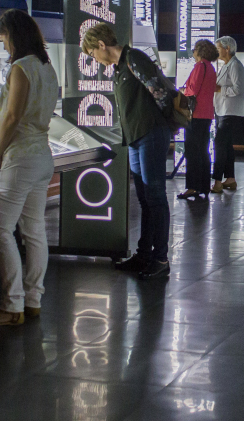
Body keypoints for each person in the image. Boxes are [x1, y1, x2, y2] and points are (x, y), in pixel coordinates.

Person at [0, 9, 60, 327]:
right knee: (34, 230)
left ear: (14, 35)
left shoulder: (21, 68)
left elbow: (12, 116)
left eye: (4, 40)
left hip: (18, 157)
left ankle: (12, 305)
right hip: (42, 154)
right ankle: (33, 299)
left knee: (0, 229)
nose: (4, 47)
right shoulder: (46, 67)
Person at [83, 23, 173, 279]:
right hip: (136, 137)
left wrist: (164, 122)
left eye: (92, 53)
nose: (94, 58)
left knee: (155, 197)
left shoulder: (133, 58)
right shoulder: (121, 66)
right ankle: (144, 254)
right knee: (146, 199)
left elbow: (160, 91)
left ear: (101, 44)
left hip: (150, 134)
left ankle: (161, 257)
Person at [178, 39, 218, 201]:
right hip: (207, 114)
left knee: (192, 151)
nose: (193, 52)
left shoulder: (199, 66)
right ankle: (204, 185)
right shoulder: (211, 68)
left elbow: (192, 90)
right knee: (203, 150)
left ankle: (193, 187)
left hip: (195, 114)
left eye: (194, 49)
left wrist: (182, 90)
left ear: (200, 52)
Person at [211, 35, 244, 194]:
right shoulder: (226, 65)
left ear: (227, 49)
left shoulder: (235, 66)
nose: (217, 51)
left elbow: (238, 89)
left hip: (230, 111)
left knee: (219, 144)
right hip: (222, 110)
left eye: (218, 48)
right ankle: (230, 178)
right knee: (226, 145)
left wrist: (220, 90)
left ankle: (217, 180)